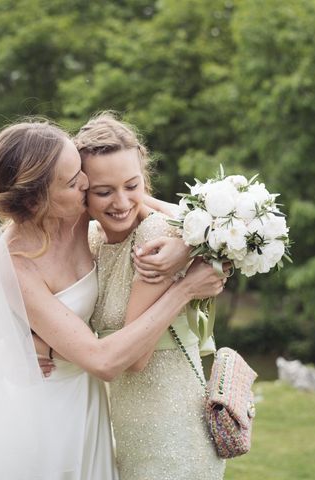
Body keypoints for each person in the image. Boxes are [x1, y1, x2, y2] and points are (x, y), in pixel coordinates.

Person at [0, 119, 226, 479]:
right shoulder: (15, 265)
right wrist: (185, 289)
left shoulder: (77, 208)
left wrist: (183, 245)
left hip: (87, 399)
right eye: (73, 180)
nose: (85, 183)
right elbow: (103, 360)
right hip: (42, 411)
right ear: (39, 199)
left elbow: (146, 203)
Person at [74, 113, 227, 479]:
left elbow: (137, 358)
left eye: (132, 185)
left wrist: (187, 253)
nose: (121, 202)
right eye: (103, 191)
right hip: (124, 420)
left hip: (169, 427)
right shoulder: (94, 239)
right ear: (81, 191)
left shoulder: (155, 234)